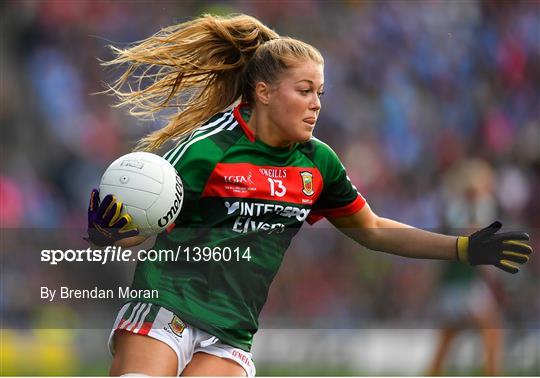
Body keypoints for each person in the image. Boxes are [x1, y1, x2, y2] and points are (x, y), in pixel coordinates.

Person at [86, 14, 533, 377]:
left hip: (230, 333)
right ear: (262, 92)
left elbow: (372, 229)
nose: (317, 103)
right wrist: (108, 233)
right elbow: (143, 223)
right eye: (304, 91)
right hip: (167, 303)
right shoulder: (207, 148)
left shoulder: (318, 164)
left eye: (320, 92)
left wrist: (462, 248)